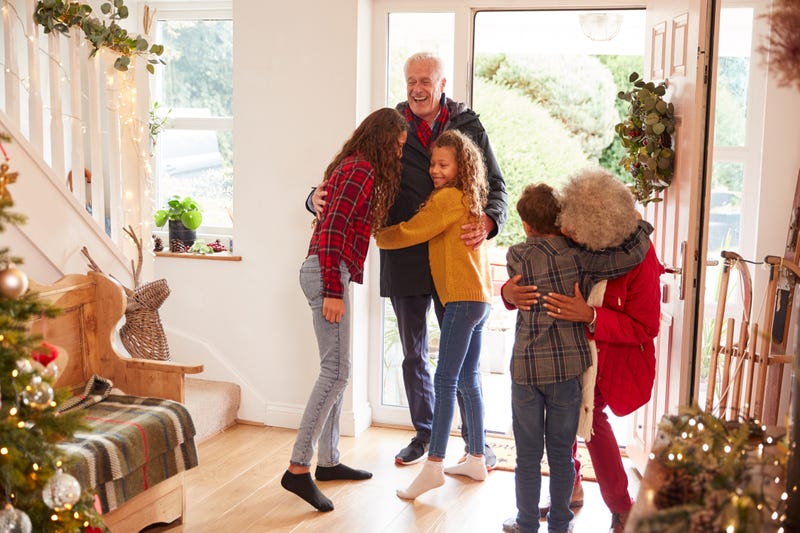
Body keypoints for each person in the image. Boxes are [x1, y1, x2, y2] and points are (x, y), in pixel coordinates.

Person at [308, 51, 507, 467]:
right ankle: (424, 434)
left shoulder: (468, 125)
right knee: (414, 352)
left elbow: (497, 184)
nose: (417, 88)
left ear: (442, 84)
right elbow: (347, 168)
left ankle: (477, 445)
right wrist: (313, 198)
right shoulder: (393, 127)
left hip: (455, 256)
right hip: (405, 253)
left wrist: (489, 222)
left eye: (426, 81)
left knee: (463, 361)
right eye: (411, 80)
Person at [504, 178, 663, 533]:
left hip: (611, 355)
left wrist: (590, 315)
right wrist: (508, 292)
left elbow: (644, 328)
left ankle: (622, 507)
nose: (567, 233)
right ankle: (570, 490)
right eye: (566, 227)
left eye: (574, 231)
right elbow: (535, 274)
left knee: (592, 422)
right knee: (566, 427)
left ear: (598, 234)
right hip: (569, 351)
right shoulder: (576, 243)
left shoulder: (639, 261)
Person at [281, 108, 408, 512]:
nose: (399, 156)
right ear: (383, 140)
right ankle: (298, 468)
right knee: (335, 372)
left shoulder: (352, 165)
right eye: (398, 147)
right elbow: (333, 227)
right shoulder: (362, 169)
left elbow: (330, 216)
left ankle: (329, 460)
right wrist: (335, 290)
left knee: (338, 368)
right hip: (326, 272)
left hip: (326, 269)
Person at [375, 129, 493, 499]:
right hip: (479, 299)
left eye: (443, 164)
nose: (435, 170)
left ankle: (434, 466)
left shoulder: (446, 199)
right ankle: (476, 458)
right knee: (468, 379)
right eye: (432, 163)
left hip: (460, 299)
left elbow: (412, 231)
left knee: (445, 380)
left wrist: (378, 234)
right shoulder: (470, 197)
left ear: (462, 166)